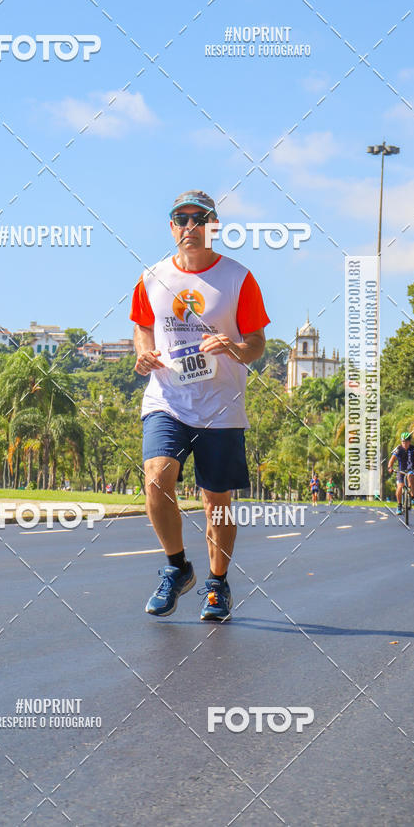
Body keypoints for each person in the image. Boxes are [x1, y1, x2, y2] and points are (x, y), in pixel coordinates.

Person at [130, 190, 269, 621]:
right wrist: (144, 353)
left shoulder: (238, 278)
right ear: (171, 227)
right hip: (167, 399)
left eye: (200, 218)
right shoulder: (151, 278)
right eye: (182, 218)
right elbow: (143, 327)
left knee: (217, 501)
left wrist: (233, 347)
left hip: (221, 406)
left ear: (214, 226)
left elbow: (257, 344)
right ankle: (177, 568)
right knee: (157, 478)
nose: (190, 226)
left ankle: (217, 584)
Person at [387, 432, 414, 515]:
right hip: (401, 471)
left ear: (409, 442)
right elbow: (392, 460)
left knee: (410, 476)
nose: (404, 443)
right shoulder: (398, 449)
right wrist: (390, 467)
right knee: (400, 486)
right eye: (403, 442)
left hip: (411, 470)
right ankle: (399, 505)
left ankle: (413, 497)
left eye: (406, 442)